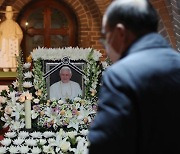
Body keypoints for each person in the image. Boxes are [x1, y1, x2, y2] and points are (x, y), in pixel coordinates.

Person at [88, 0, 180, 154]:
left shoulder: (121, 75)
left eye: (106, 36)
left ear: (120, 32)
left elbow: (105, 145)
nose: (106, 44)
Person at [0, 6, 23, 72]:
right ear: (5, 14)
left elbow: (20, 35)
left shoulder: (15, 25)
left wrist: (15, 37)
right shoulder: (2, 25)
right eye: (7, 13)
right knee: (5, 66)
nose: (9, 15)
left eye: (10, 13)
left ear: (12, 14)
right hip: (4, 47)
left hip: (12, 47)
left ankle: (14, 73)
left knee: (14, 65)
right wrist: (3, 39)